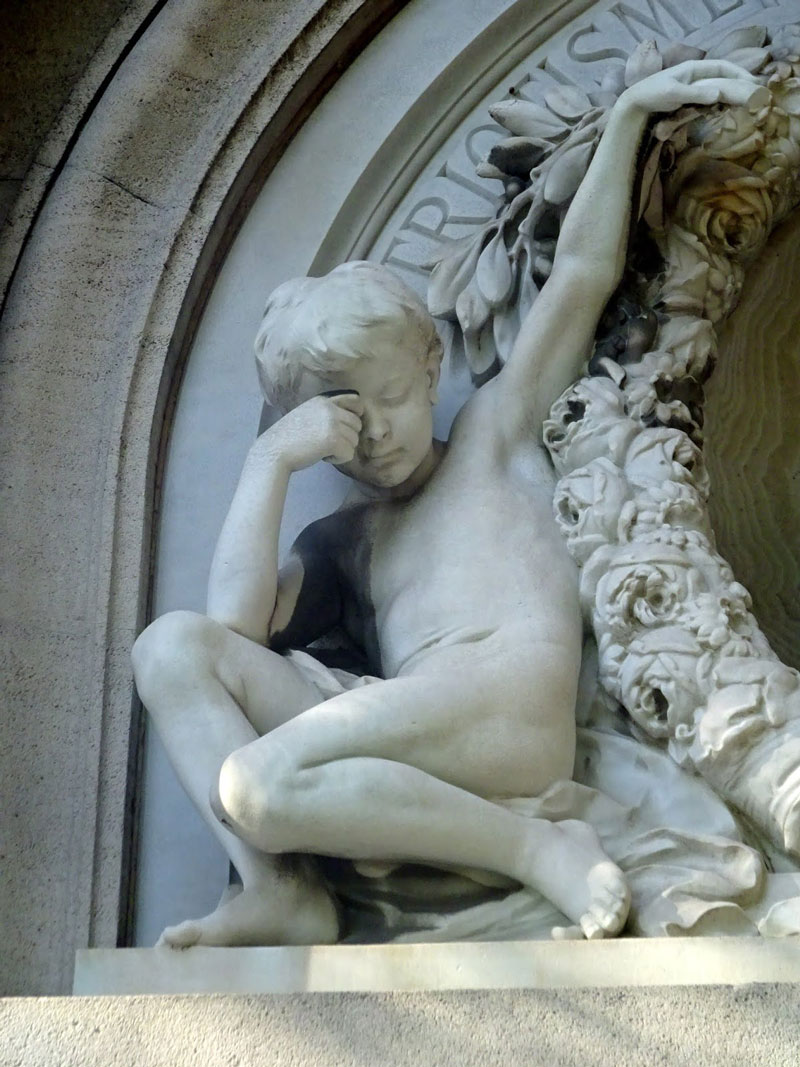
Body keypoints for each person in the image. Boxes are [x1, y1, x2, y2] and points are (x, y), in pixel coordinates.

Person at [132, 60, 761, 948]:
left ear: (431, 369)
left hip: (502, 716)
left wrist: (626, 119)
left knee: (257, 786)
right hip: (416, 729)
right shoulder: (348, 540)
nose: (378, 431)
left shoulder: (493, 436)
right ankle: (278, 889)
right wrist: (270, 459)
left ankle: (539, 848)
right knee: (167, 647)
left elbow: (581, 275)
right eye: (345, 414)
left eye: (389, 397)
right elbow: (230, 635)